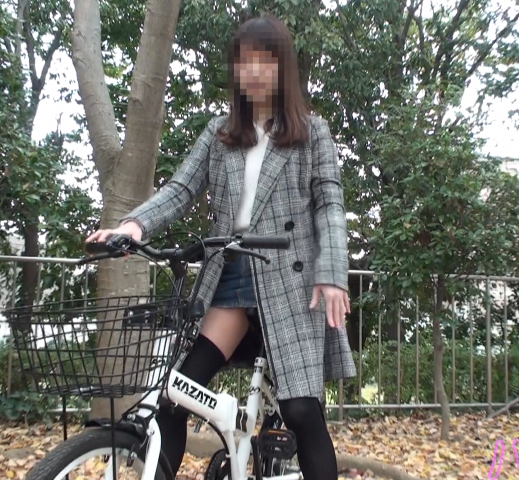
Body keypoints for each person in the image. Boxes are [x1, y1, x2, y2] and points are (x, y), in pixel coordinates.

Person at [86, 12, 357, 480]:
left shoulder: (313, 132)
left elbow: (329, 205)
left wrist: (332, 274)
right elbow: (180, 189)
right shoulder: (220, 133)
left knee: (302, 411)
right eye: (244, 62)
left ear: (283, 68)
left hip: (291, 286)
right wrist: (133, 226)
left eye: (265, 61)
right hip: (232, 278)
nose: (253, 72)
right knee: (175, 396)